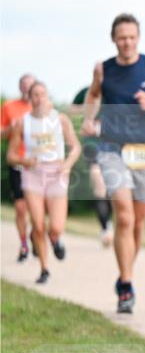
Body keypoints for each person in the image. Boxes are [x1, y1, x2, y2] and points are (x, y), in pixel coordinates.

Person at [81, 13, 145, 314]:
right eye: (122, 37)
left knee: (138, 222)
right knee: (123, 217)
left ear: (138, 38)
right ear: (114, 39)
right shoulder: (103, 69)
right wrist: (88, 119)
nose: (127, 42)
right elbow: (92, 94)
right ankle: (126, 285)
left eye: (132, 37)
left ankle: (126, 273)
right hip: (112, 149)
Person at [5, 81, 81, 283]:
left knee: (55, 227)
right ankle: (44, 269)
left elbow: (75, 147)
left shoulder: (61, 120)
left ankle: (55, 239)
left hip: (56, 173)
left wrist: (68, 164)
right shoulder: (23, 122)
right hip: (33, 175)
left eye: (43, 94)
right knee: (38, 225)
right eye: (35, 95)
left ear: (48, 97)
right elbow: (10, 155)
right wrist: (23, 160)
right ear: (30, 99)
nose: (39, 98)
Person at [71, 86, 113, 246]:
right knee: (99, 184)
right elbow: (72, 110)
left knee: (114, 188)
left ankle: (115, 223)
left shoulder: (115, 90)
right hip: (92, 146)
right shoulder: (86, 92)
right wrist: (88, 109)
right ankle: (105, 228)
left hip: (114, 146)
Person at [2, 73, 37, 261]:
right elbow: (1, 133)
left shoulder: (41, 107)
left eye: (30, 85)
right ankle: (24, 244)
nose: (27, 88)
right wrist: (11, 129)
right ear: (19, 87)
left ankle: (35, 235)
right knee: (21, 208)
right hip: (18, 162)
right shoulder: (9, 106)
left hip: (38, 165)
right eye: (23, 85)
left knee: (37, 208)